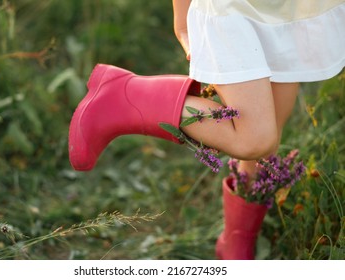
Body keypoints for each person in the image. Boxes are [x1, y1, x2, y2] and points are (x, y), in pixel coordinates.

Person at [68, 0, 345, 259]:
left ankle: (238, 241)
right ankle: (125, 96)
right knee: (255, 138)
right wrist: (182, 15)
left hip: (288, 9)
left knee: (268, 141)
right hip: (232, 10)